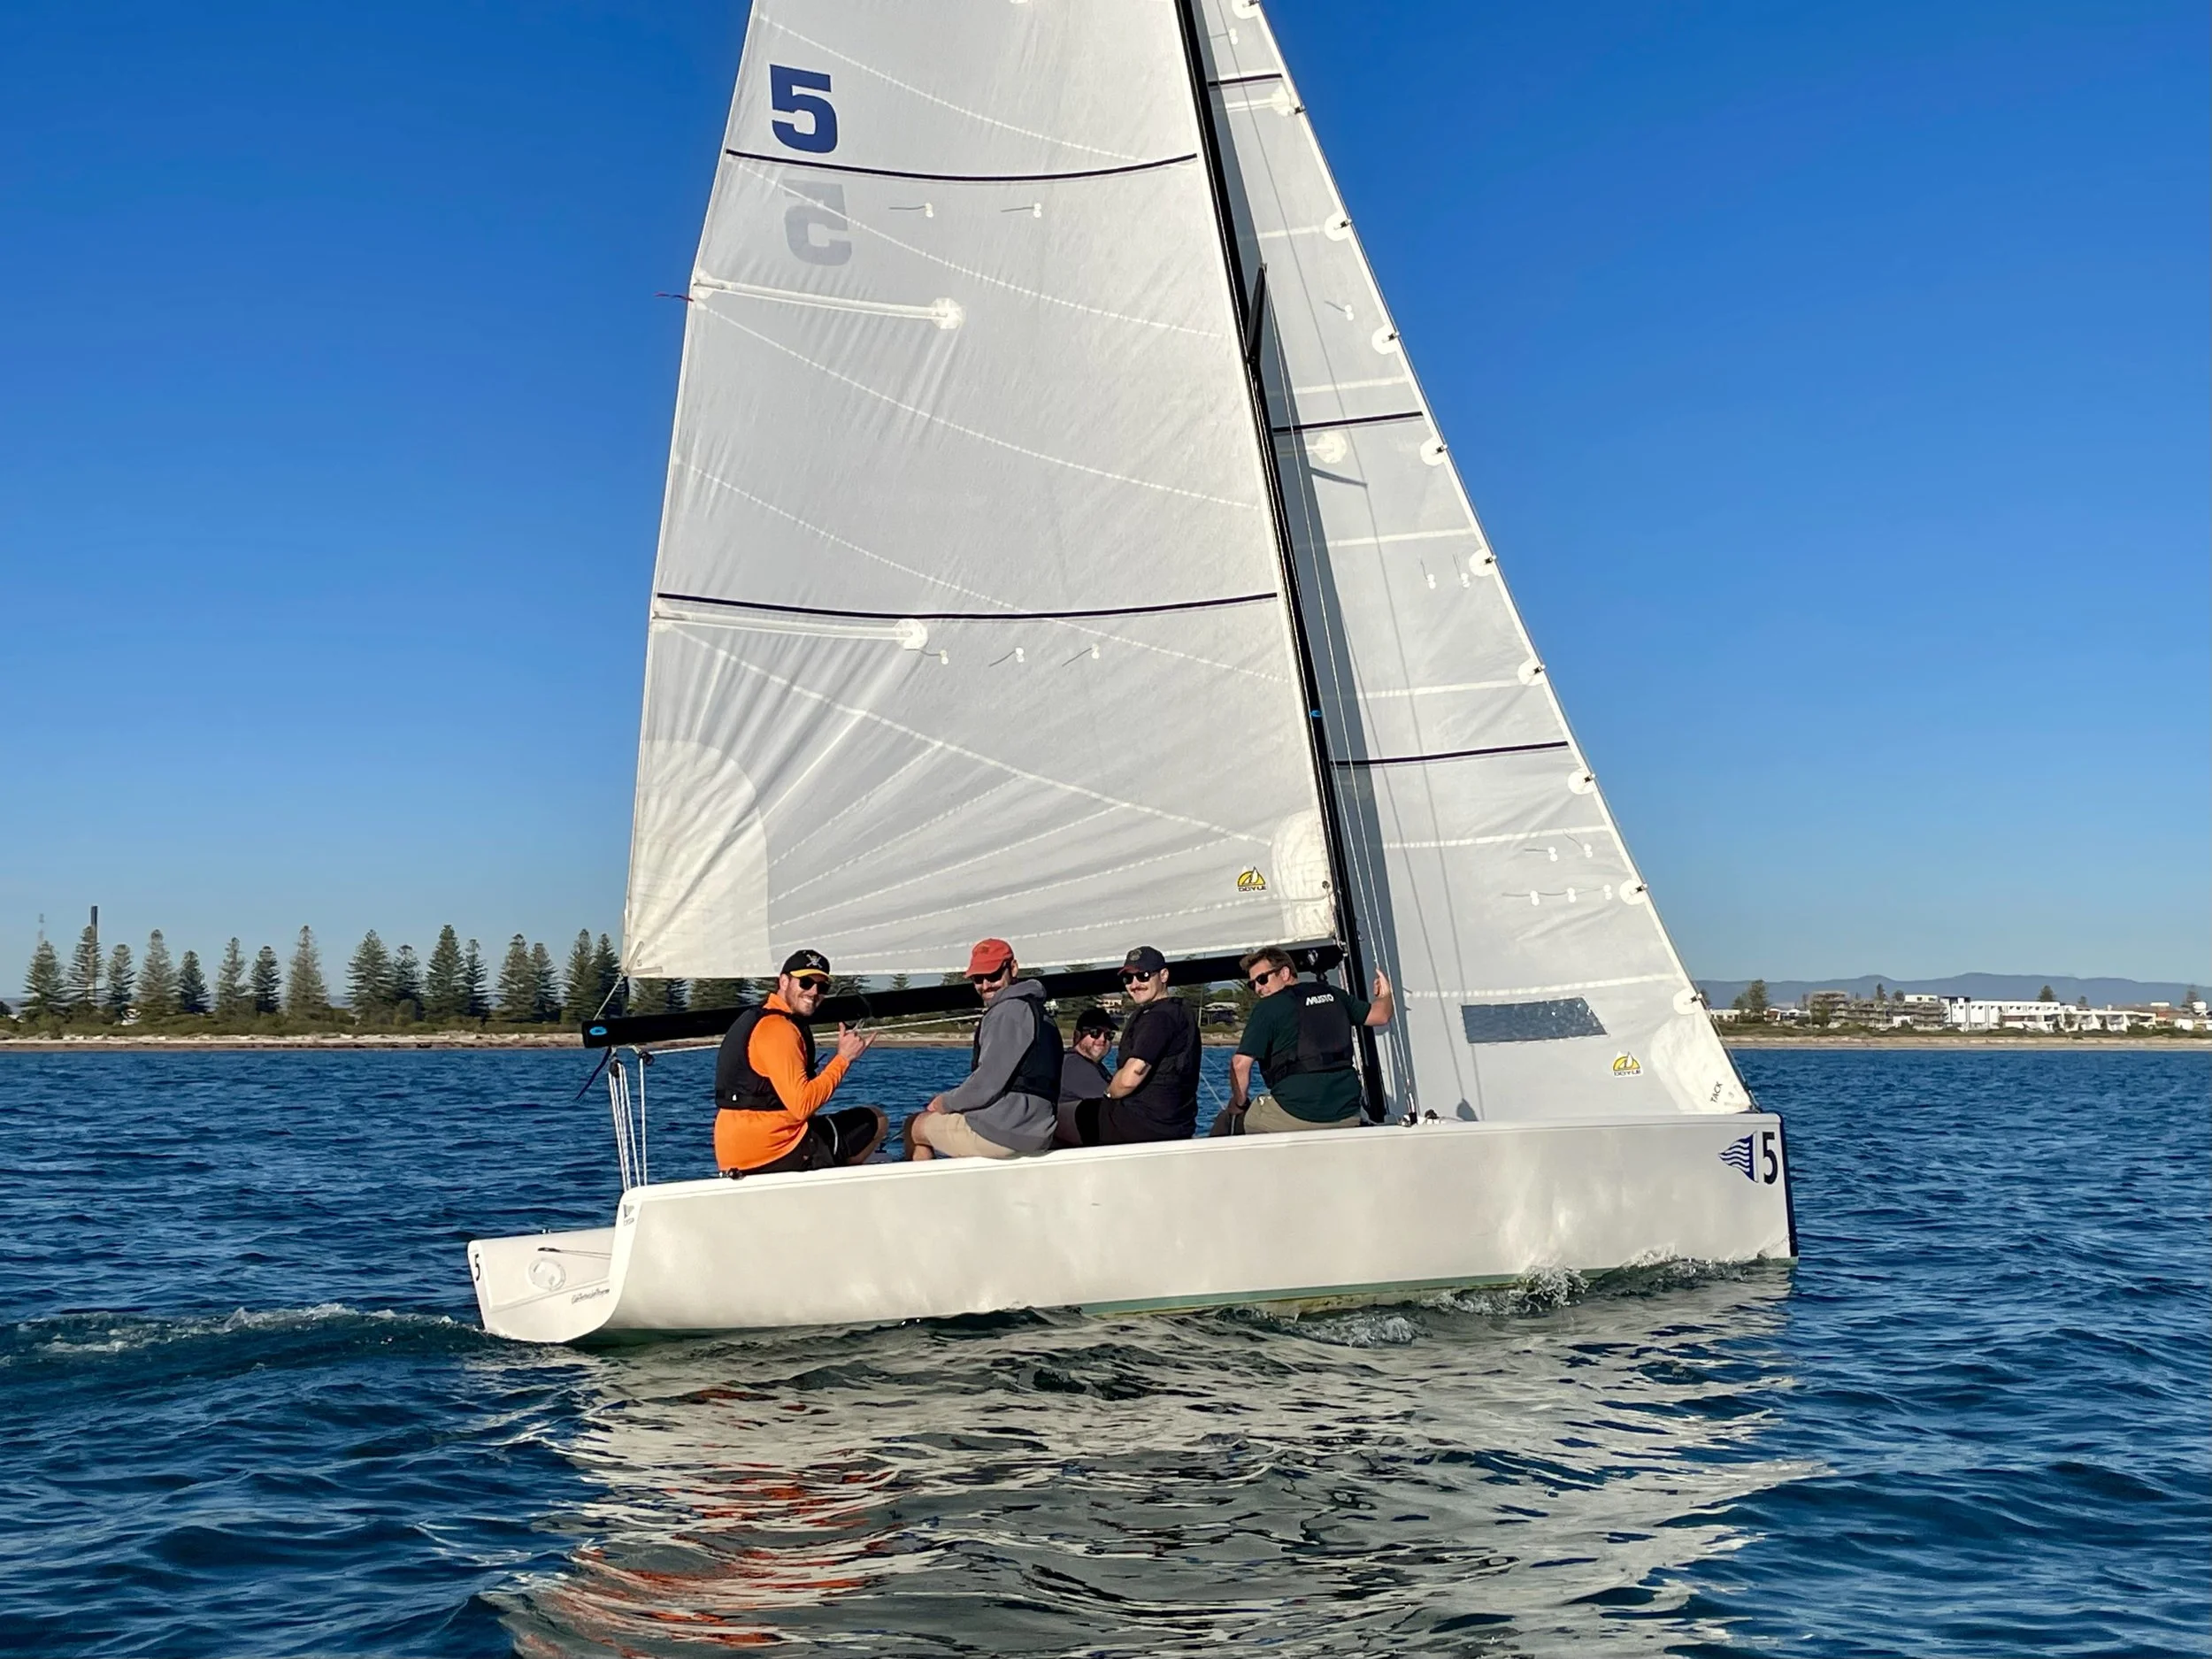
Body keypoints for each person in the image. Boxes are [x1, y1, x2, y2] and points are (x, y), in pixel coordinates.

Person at [713, 948, 884, 1176]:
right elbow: (802, 1104)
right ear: (784, 981)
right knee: (877, 1119)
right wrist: (843, 1059)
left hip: (732, 1152)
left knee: (832, 1128)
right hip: (774, 1151)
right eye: (805, 982)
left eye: (822, 987)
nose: (813, 992)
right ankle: (835, 1188)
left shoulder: (755, 1019)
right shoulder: (780, 1030)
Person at [904, 939, 1060, 1160]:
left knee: (914, 1125)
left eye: (994, 975)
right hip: (1039, 1131)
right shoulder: (1040, 1013)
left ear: (1013, 968)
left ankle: (923, 1194)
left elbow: (987, 1084)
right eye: (978, 978)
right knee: (961, 1119)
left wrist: (943, 1103)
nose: (986, 985)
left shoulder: (1007, 1011)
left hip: (1004, 1134)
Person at [1222, 947, 1394, 1133]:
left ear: (1285, 973)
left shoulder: (1268, 1007)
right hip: (1347, 1113)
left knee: (1228, 1122)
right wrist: (1385, 994)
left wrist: (1239, 1104)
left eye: (1262, 979)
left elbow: (1240, 1064)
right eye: (1252, 984)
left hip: (1294, 1111)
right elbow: (1381, 1015)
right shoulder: (1334, 994)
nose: (1258, 988)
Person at [1077, 944, 1200, 1144]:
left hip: (1141, 1125)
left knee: (1052, 1119)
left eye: (1143, 976)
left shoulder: (1157, 1018)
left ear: (1164, 975)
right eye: (1128, 978)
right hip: (1177, 1125)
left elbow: (1132, 1076)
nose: (1135, 984)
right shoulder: (1179, 1012)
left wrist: (1109, 1093)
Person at [1055, 1004, 1118, 1148]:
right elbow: (1115, 1104)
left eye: (1109, 1035)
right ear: (1077, 1036)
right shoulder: (1073, 1065)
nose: (1102, 1040)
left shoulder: (1093, 1066)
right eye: (1095, 1033)